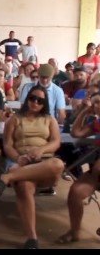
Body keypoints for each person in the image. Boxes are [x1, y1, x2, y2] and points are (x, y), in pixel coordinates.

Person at [0, 85, 64, 249]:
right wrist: (18, 157)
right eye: (32, 98)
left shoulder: (50, 119)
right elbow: (7, 145)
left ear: (44, 103)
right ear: (27, 98)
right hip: (22, 161)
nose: (35, 102)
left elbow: (56, 142)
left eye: (39, 100)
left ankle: (7, 177)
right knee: (23, 186)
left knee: (58, 164)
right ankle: (32, 238)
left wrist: (41, 150)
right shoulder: (14, 119)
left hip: (44, 162)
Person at [56, 99, 100, 245]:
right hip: (96, 174)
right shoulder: (97, 123)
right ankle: (74, 232)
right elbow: (76, 132)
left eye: (99, 102)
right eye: (96, 103)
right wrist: (84, 112)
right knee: (75, 192)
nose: (96, 105)